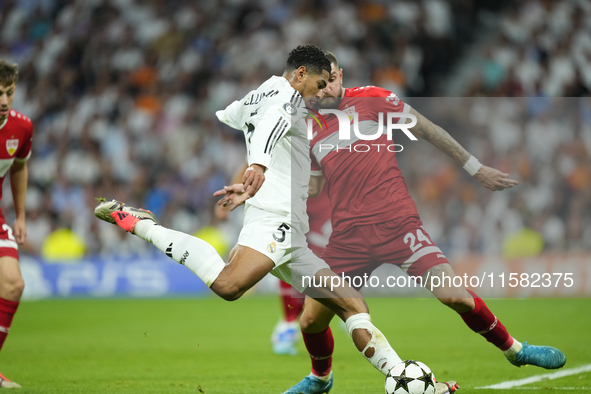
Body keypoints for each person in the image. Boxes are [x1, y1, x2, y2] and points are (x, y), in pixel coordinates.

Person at [94, 44, 458, 394]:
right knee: (228, 285)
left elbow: (232, 114)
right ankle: (141, 224)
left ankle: (406, 380)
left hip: (291, 227)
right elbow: (274, 121)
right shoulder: (288, 98)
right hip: (276, 218)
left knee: (352, 305)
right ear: (300, 74)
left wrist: (241, 145)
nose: (318, 94)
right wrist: (258, 165)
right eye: (317, 85)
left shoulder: (260, 92)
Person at [283, 51, 567, 393]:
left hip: (397, 226)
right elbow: (313, 186)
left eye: (330, 80)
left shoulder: (372, 99)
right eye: (320, 84)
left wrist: (476, 168)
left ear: (340, 75)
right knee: (311, 320)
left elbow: (428, 129)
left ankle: (516, 351)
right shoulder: (309, 126)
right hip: (347, 238)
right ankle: (320, 380)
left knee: (455, 296)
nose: (325, 89)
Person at [0, 60, 34, 389]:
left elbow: (19, 167)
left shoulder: (21, 128)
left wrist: (20, 214)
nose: (4, 101)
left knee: (13, 284)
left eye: (9, 93)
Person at [271, 189, 330, 356]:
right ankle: (288, 324)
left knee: (321, 260)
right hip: (292, 198)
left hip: (324, 202)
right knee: (288, 256)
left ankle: (291, 324)